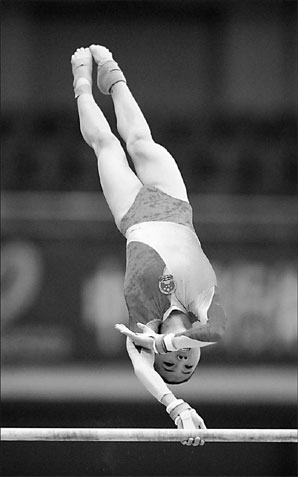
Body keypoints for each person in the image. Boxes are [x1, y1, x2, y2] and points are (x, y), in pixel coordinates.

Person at [71, 45, 227, 446]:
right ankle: (113, 74)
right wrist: (167, 344)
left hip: (133, 215)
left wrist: (176, 406)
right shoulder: (204, 303)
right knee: (140, 140)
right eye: (186, 361)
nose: (178, 356)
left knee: (106, 145)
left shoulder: (141, 325)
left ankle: (83, 84)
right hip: (174, 202)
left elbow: (143, 370)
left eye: (169, 364)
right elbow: (218, 332)